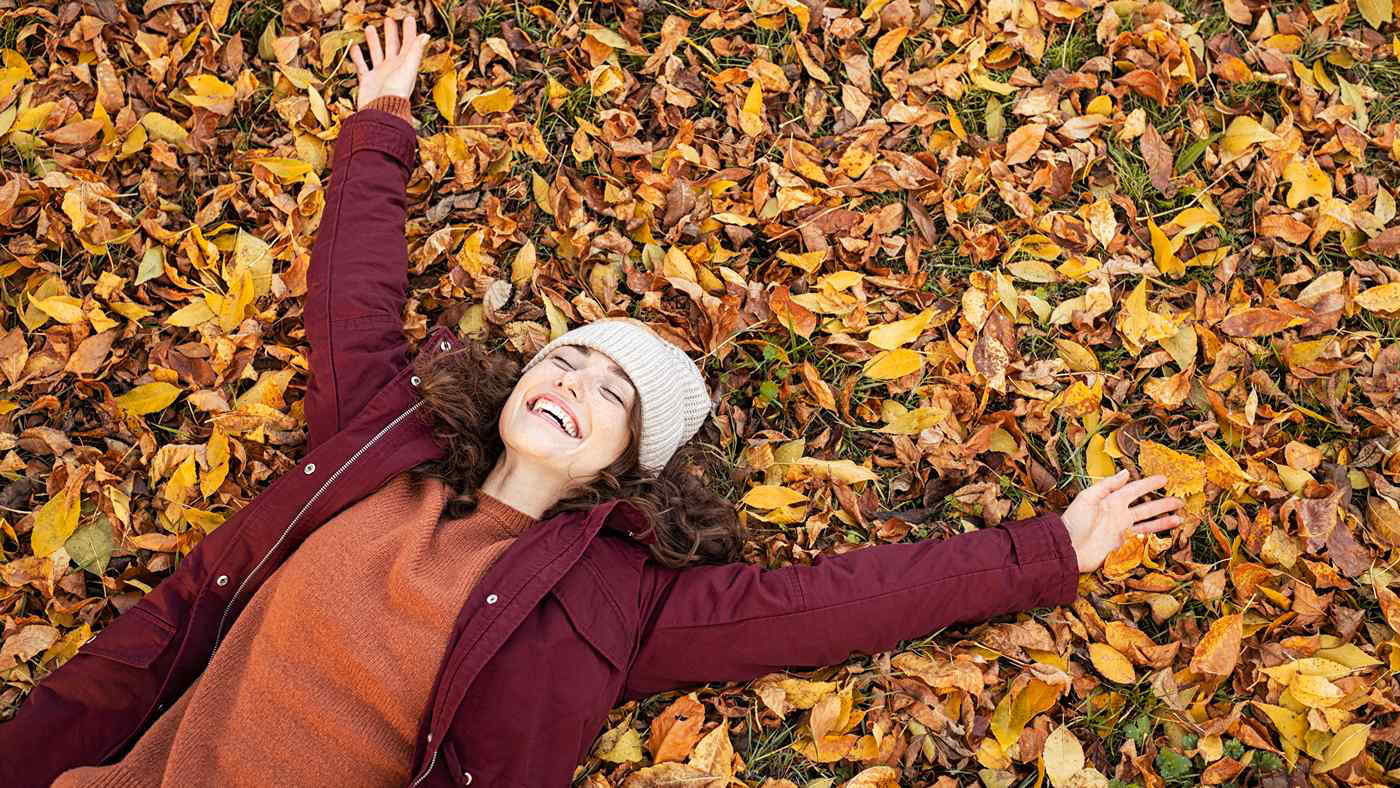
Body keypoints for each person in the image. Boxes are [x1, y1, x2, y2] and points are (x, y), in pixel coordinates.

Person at [0, 16, 1183, 787]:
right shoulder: (380, 440)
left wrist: (1048, 553)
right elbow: (354, 296)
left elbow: (828, 600)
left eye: (613, 391)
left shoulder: (612, 602)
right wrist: (382, 125)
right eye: (566, 359)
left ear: (629, 461)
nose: (573, 382)